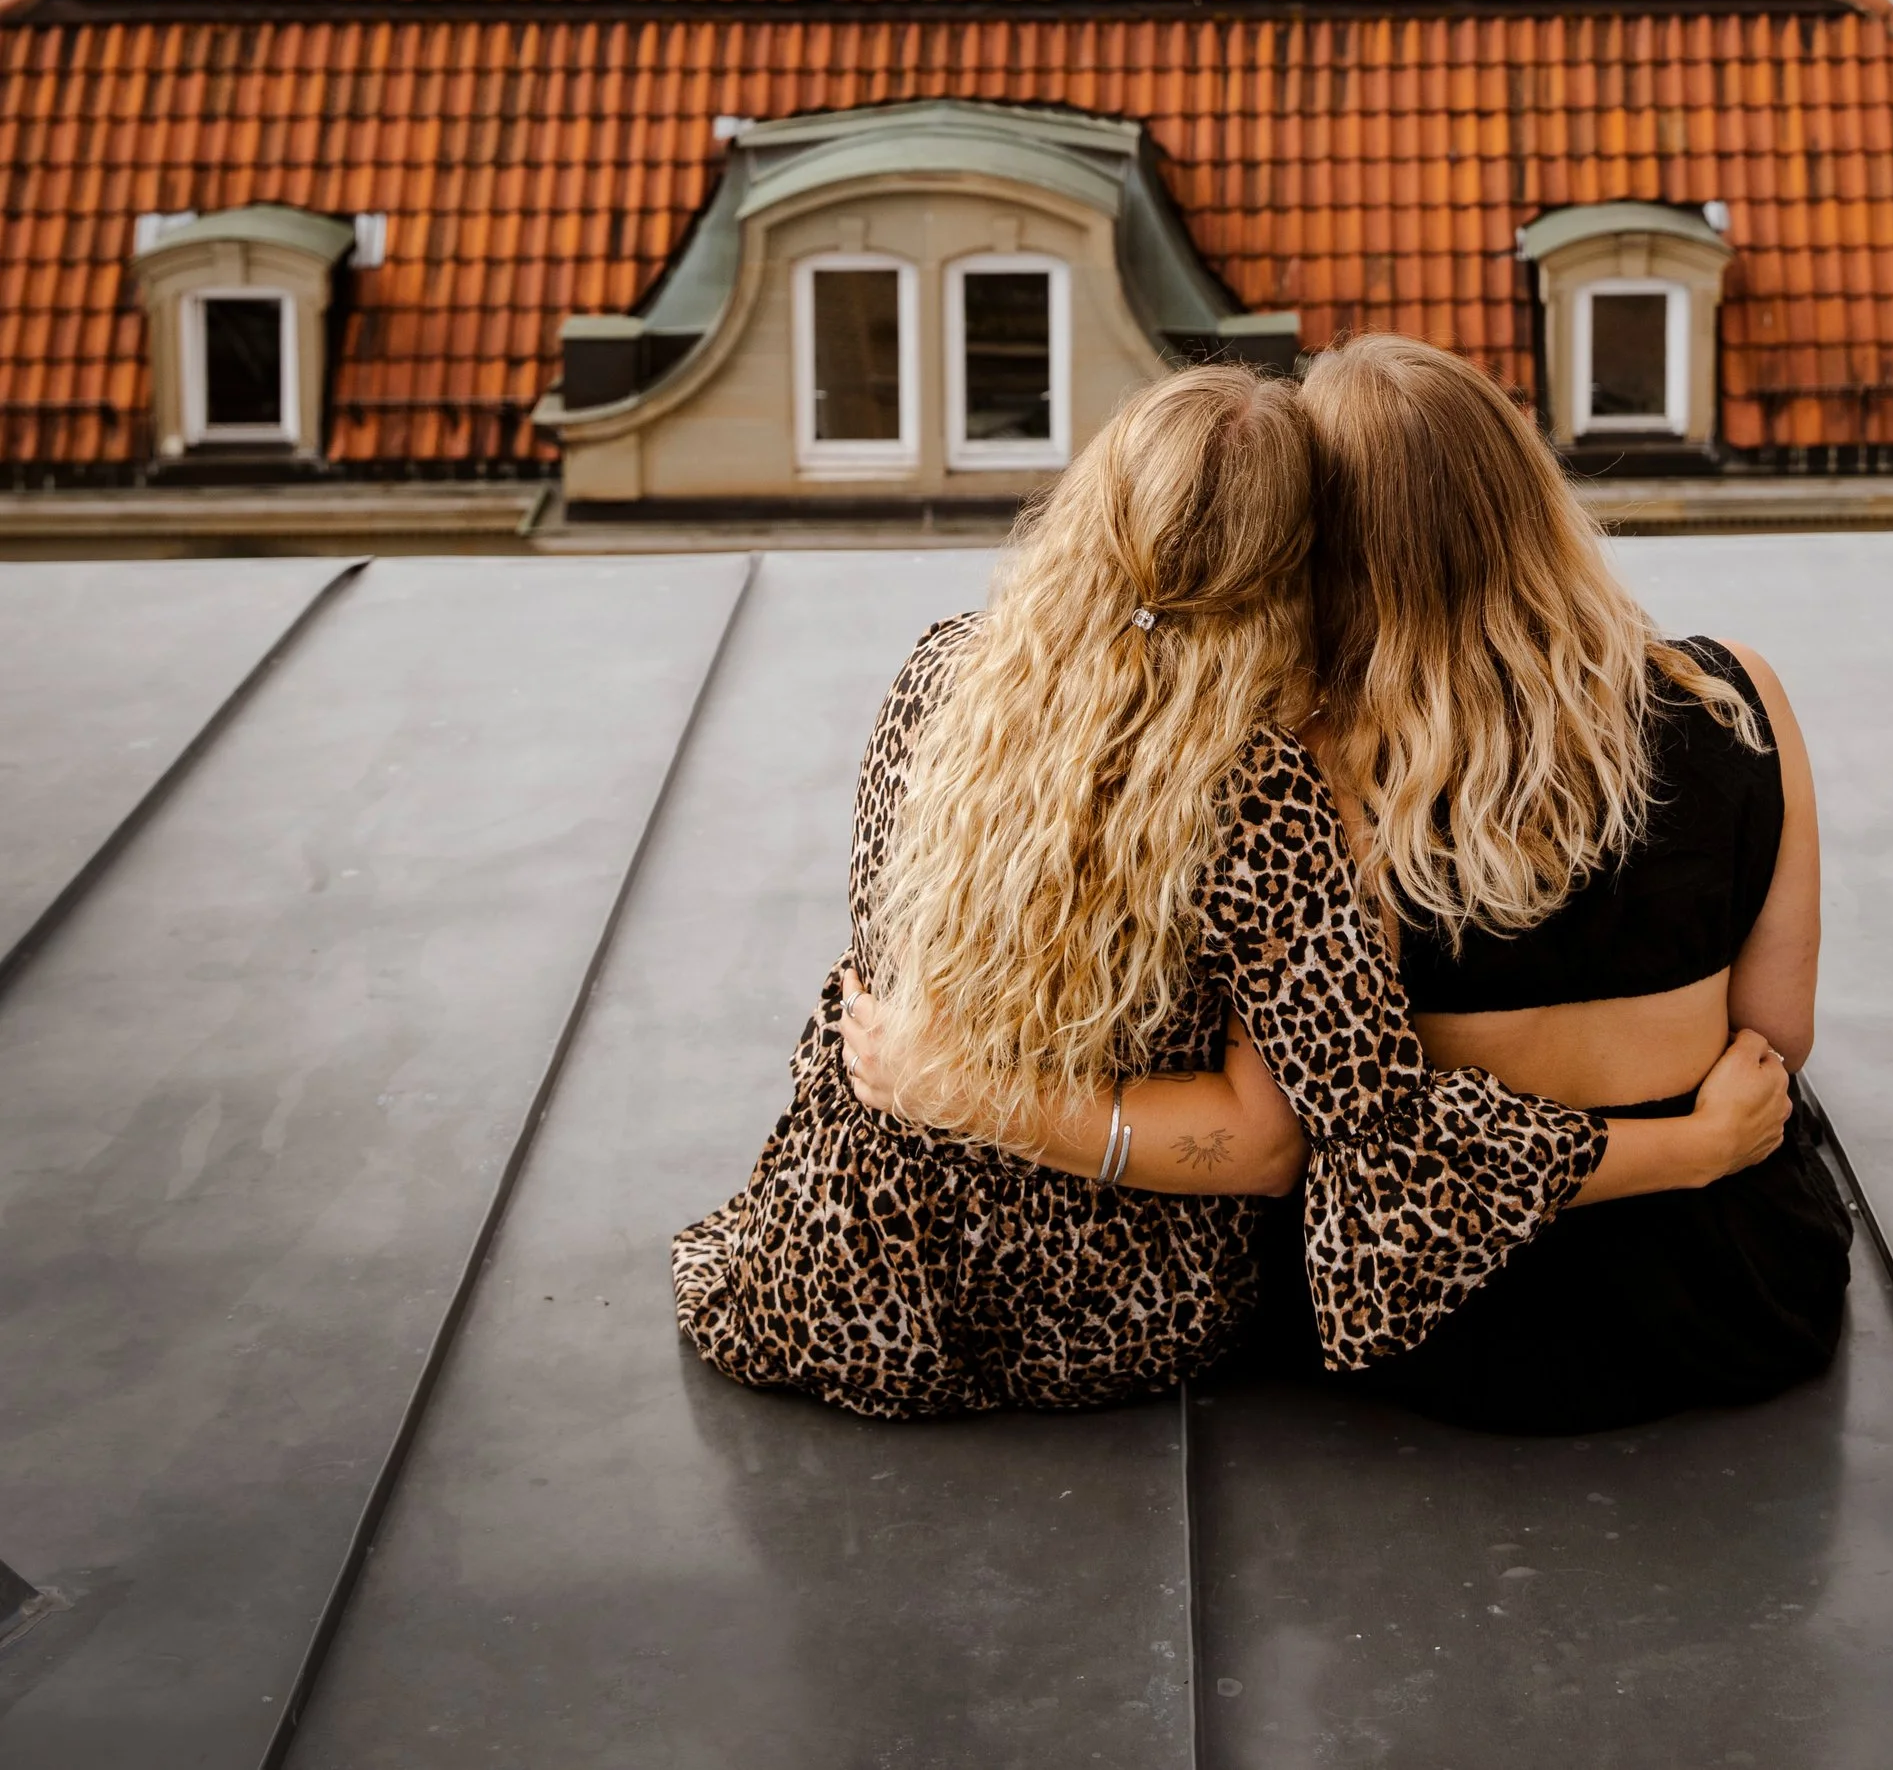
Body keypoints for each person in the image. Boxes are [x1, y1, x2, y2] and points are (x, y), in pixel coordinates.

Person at [676, 360, 1693, 1420]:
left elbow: (900, 1008)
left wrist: (955, 1089)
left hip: (844, 1276)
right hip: (1111, 1317)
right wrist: (1696, 1145)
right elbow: (1303, 1146)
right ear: (1301, 567)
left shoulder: (940, 679)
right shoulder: (1262, 797)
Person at [1292, 332, 1850, 1433]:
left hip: (1451, 1316)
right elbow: (1774, 1035)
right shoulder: (1736, 694)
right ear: (1531, 494)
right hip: (1736, 1287)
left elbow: (1353, 1131)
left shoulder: (1323, 769)